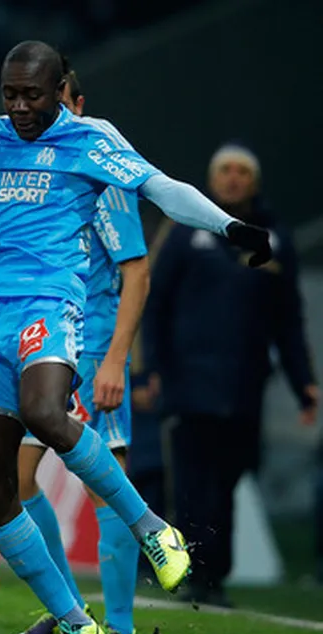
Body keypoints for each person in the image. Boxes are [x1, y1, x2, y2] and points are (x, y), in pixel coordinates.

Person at [0, 40, 271, 634]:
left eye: (33, 95)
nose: (19, 107)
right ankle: (77, 624)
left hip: (48, 306)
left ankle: (153, 530)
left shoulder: (90, 140)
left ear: (60, 91)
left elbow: (163, 189)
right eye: (10, 94)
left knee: (46, 412)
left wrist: (229, 227)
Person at [0, 65, 148, 634]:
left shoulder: (104, 175)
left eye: (53, 100)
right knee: (16, 478)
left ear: (76, 104)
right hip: (44, 342)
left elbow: (136, 271)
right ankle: (69, 613)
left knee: (106, 484)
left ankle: (122, 629)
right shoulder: (31, 171)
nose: (37, 113)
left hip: (91, 345)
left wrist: (115, 360)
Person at [141, 142, 316, 606]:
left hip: (245, 383)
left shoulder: (274, 237)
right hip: (188, 380)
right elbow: (155, 303)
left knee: (231, 479)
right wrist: (151, 368)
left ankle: (216, 574)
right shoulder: (185, 229)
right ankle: (197, 572)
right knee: (192, 480)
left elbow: (288, 319)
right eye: (225, 171)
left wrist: (304, 383)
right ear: (212, 179)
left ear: (255, 182)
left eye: (242, 172)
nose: (233, 179)